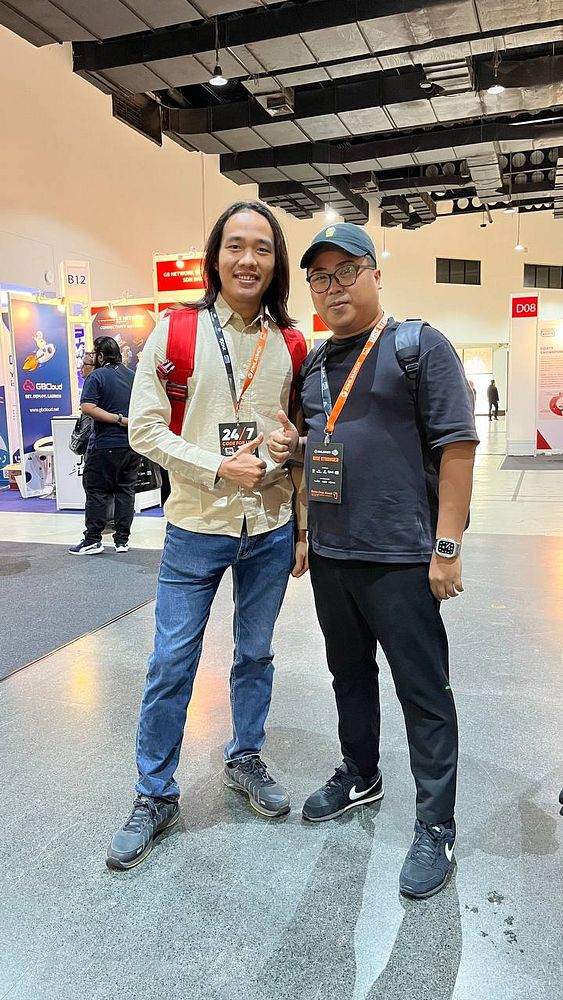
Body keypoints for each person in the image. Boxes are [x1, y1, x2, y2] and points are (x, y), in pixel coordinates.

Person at [268, 223, 478, 899]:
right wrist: (305, 528)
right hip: (333, 555)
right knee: (348, 675)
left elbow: (457, 448)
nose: (332, 287)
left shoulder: (418, 347)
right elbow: (318, 448)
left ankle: (435, 824)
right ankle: (360, 773)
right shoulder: (314, 364)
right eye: (319, 277)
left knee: (423, 691)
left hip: (402, 557)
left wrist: (446, 547)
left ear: (374, 273)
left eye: (345, 271)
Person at [106, 200, 308, 871]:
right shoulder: (177, 329)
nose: (248, 259)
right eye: (235, 246)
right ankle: (154, 794)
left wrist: (289, 463)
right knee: (171, 662)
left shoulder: (291, 343)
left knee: (255, 653)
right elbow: (143, 430)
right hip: (196, 525)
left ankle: (244, 756)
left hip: (270, 526)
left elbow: (296, 438)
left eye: (262, 248)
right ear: (215, 259)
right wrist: (217, 466)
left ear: (275, 262)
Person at [69, 336, 141, 555]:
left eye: (94, 353)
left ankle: (92, 540)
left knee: (97, 491)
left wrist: (117, 419)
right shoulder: (132, 376)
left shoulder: (97, 376)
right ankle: (122, 540)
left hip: (105, 444)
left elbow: (88, 407)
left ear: (100, 356)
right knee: (125, 491)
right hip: (131, 444)